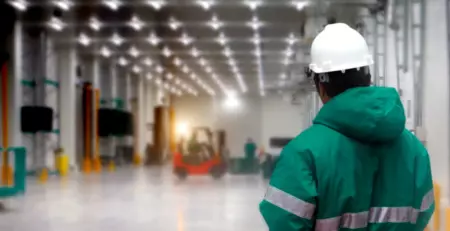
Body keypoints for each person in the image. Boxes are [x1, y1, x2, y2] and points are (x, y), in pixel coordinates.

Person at [259, 23, 434, 230]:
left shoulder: (303, 154)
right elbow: (423, 213)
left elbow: (284, 222)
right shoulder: (415, 151)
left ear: (321, 86)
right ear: (367, 78)